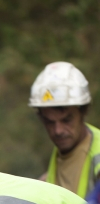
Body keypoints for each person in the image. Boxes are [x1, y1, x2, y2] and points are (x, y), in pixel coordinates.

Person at [29, 61, 100, 197]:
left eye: (66, 120)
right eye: (50, 122)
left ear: (83, 112)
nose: (58, 130)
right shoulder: (62, 152)